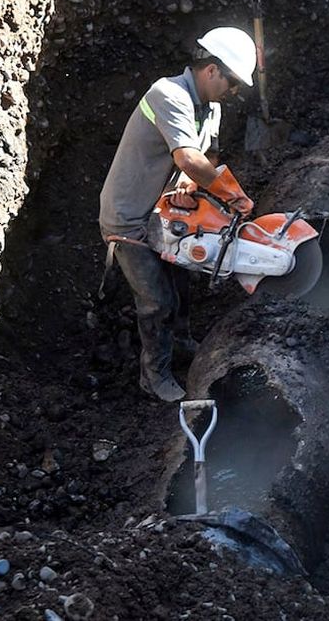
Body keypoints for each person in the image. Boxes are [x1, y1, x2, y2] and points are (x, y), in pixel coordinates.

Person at [98, 27, 257, 402]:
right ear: (211, 69)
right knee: (157, 300)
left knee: (181, 283)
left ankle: (182, 343)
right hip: (129, 216)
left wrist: (189, 183)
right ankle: (154, 376)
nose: (233, 92)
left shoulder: (210, 108)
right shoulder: (168, 94)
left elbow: (206, 157)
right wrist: (231, 195)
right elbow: (187, 156)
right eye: (232, 82)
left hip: (163, 211)